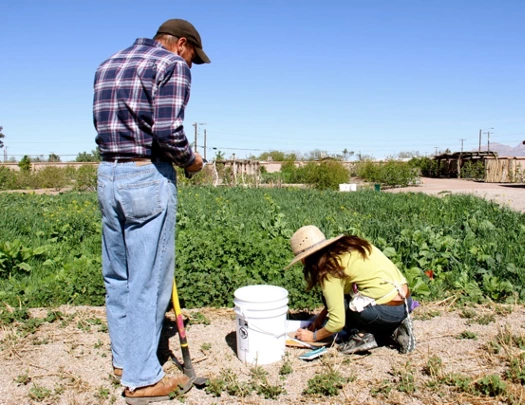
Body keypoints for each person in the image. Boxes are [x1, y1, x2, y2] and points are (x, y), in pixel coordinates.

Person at [93, 18, 210, 403]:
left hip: (108, 174)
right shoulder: (171, 65)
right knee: (149, 279)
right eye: (193, 57)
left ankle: (125, 359)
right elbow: (167, 132)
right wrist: (192, 162)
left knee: (119, 275)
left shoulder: (110, 62)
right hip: (145, 175)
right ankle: (142, 379)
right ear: (180, 44)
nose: (191, 66)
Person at [286, 225, 416, 354]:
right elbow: (340, 295)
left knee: (338, 306)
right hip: (405, 301)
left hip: (385, 311)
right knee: (338, 301)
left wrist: (313, 337)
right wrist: (320, 318)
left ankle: (364, 335)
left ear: (305, 259)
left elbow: (337, 323)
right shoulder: (350, 247)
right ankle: (392, 326)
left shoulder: (329, 270)